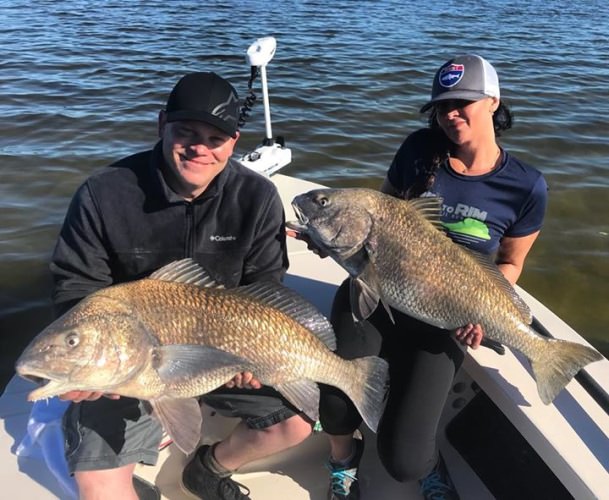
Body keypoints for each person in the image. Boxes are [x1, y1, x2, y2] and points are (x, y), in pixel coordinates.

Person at [51, 71, 313, 500]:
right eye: (186, 132)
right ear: (161, 125)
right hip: (129, 361)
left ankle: (209, 468)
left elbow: (266, 287)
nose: (200, 149)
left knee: (296, 424)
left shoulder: (258, 196)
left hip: (226, 353)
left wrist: (255, 356)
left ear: (234, 142)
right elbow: (75, 285)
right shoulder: (103, 194)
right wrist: (89, 359)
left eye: (216, 138)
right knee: (98, 487)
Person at [311, 54, 548, 499]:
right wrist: (334, 240)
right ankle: (343, 459)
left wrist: (484, 310)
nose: (449, 114)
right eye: (441, 106)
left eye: (462, 102)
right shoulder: (419, 150)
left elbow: (510, 263)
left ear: (493, 101)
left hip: (448, 315)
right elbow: (378, 213)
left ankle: (427, 459)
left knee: (404, 462)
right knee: (337, 405)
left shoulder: (526, 185)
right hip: (374, 295)